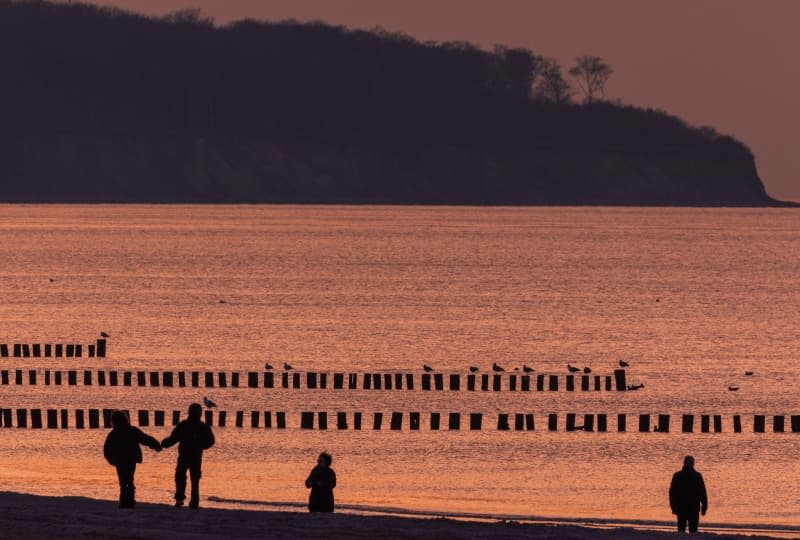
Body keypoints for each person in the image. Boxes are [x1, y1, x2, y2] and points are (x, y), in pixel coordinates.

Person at [103, 410, 161, 508]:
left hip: (119, 460)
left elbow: (107, 449)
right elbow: (145, 439)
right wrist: (156, 445)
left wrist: (111, 460)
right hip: (131, 459)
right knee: (129, 480)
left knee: (123, 481)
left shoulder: (113, 433)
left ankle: (124, 502)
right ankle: (129, 501)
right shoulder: (132, 430)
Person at [161, 403, 215, 508]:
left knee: (181, 476)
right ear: (200, 414)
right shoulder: (202, 426)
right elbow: (211, 441)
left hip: (186, 455)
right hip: (195, 456)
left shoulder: (184, 425)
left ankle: (180, 498)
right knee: (194, 479)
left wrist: (163, 444)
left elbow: (173, 439)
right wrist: (202, 446)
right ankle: (193, 501)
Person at [669, 455, 708, 533]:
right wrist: (704, 507)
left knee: (681, 530)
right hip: (693, 507)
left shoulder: (677, 475)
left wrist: (673, 506)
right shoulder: (697, 476)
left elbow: (672, 493)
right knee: (693, 531)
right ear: (693, 464)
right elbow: (702, 493)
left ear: (684, 463)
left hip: (681, 507)